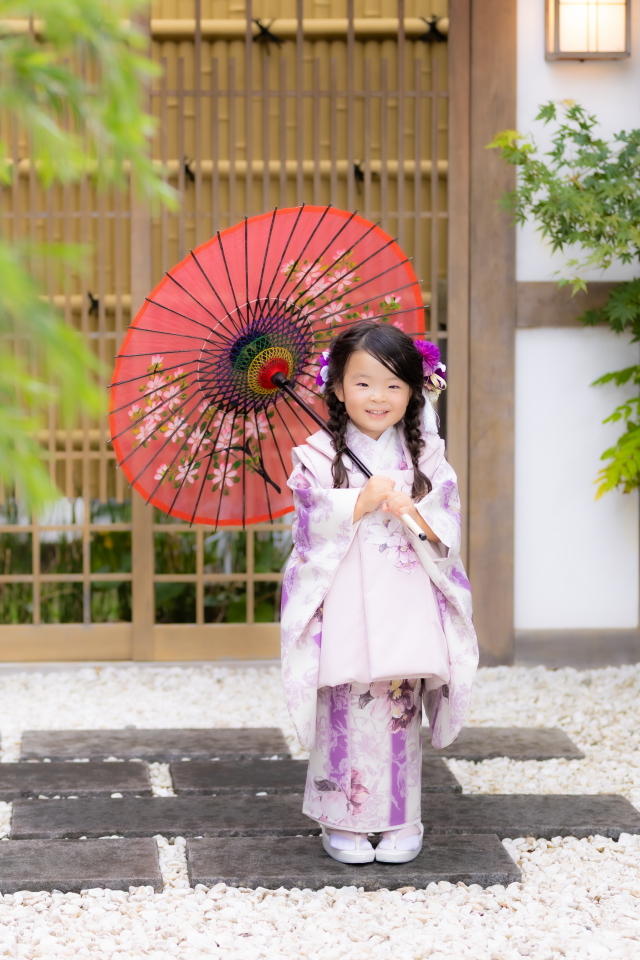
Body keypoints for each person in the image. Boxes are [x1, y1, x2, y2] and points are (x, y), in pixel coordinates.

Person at [280, 320, 478, 865]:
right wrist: (355, 503)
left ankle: (400, 815)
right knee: (342, 697)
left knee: (397, 700)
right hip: (342, 596)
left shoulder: (425, 454)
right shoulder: (316, 454)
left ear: (414, 391)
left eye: (394, 384)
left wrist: (415, 509)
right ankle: (340, 818)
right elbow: (306, 528)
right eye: (363, 382)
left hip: (404, 598)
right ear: (339, 388)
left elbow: (447, 521)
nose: (378, 396)